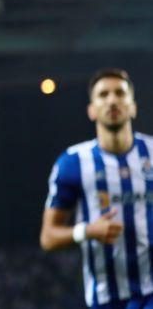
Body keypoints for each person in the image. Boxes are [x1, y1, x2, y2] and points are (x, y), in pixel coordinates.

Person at [40, 67, 153, 309]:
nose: (112, 100)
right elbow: (48, 237)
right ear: (91, 110)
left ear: (133, 106)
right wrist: (87, 231)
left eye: (120, 93)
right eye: (103, 95)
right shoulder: (72, 163)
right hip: (106, 300)